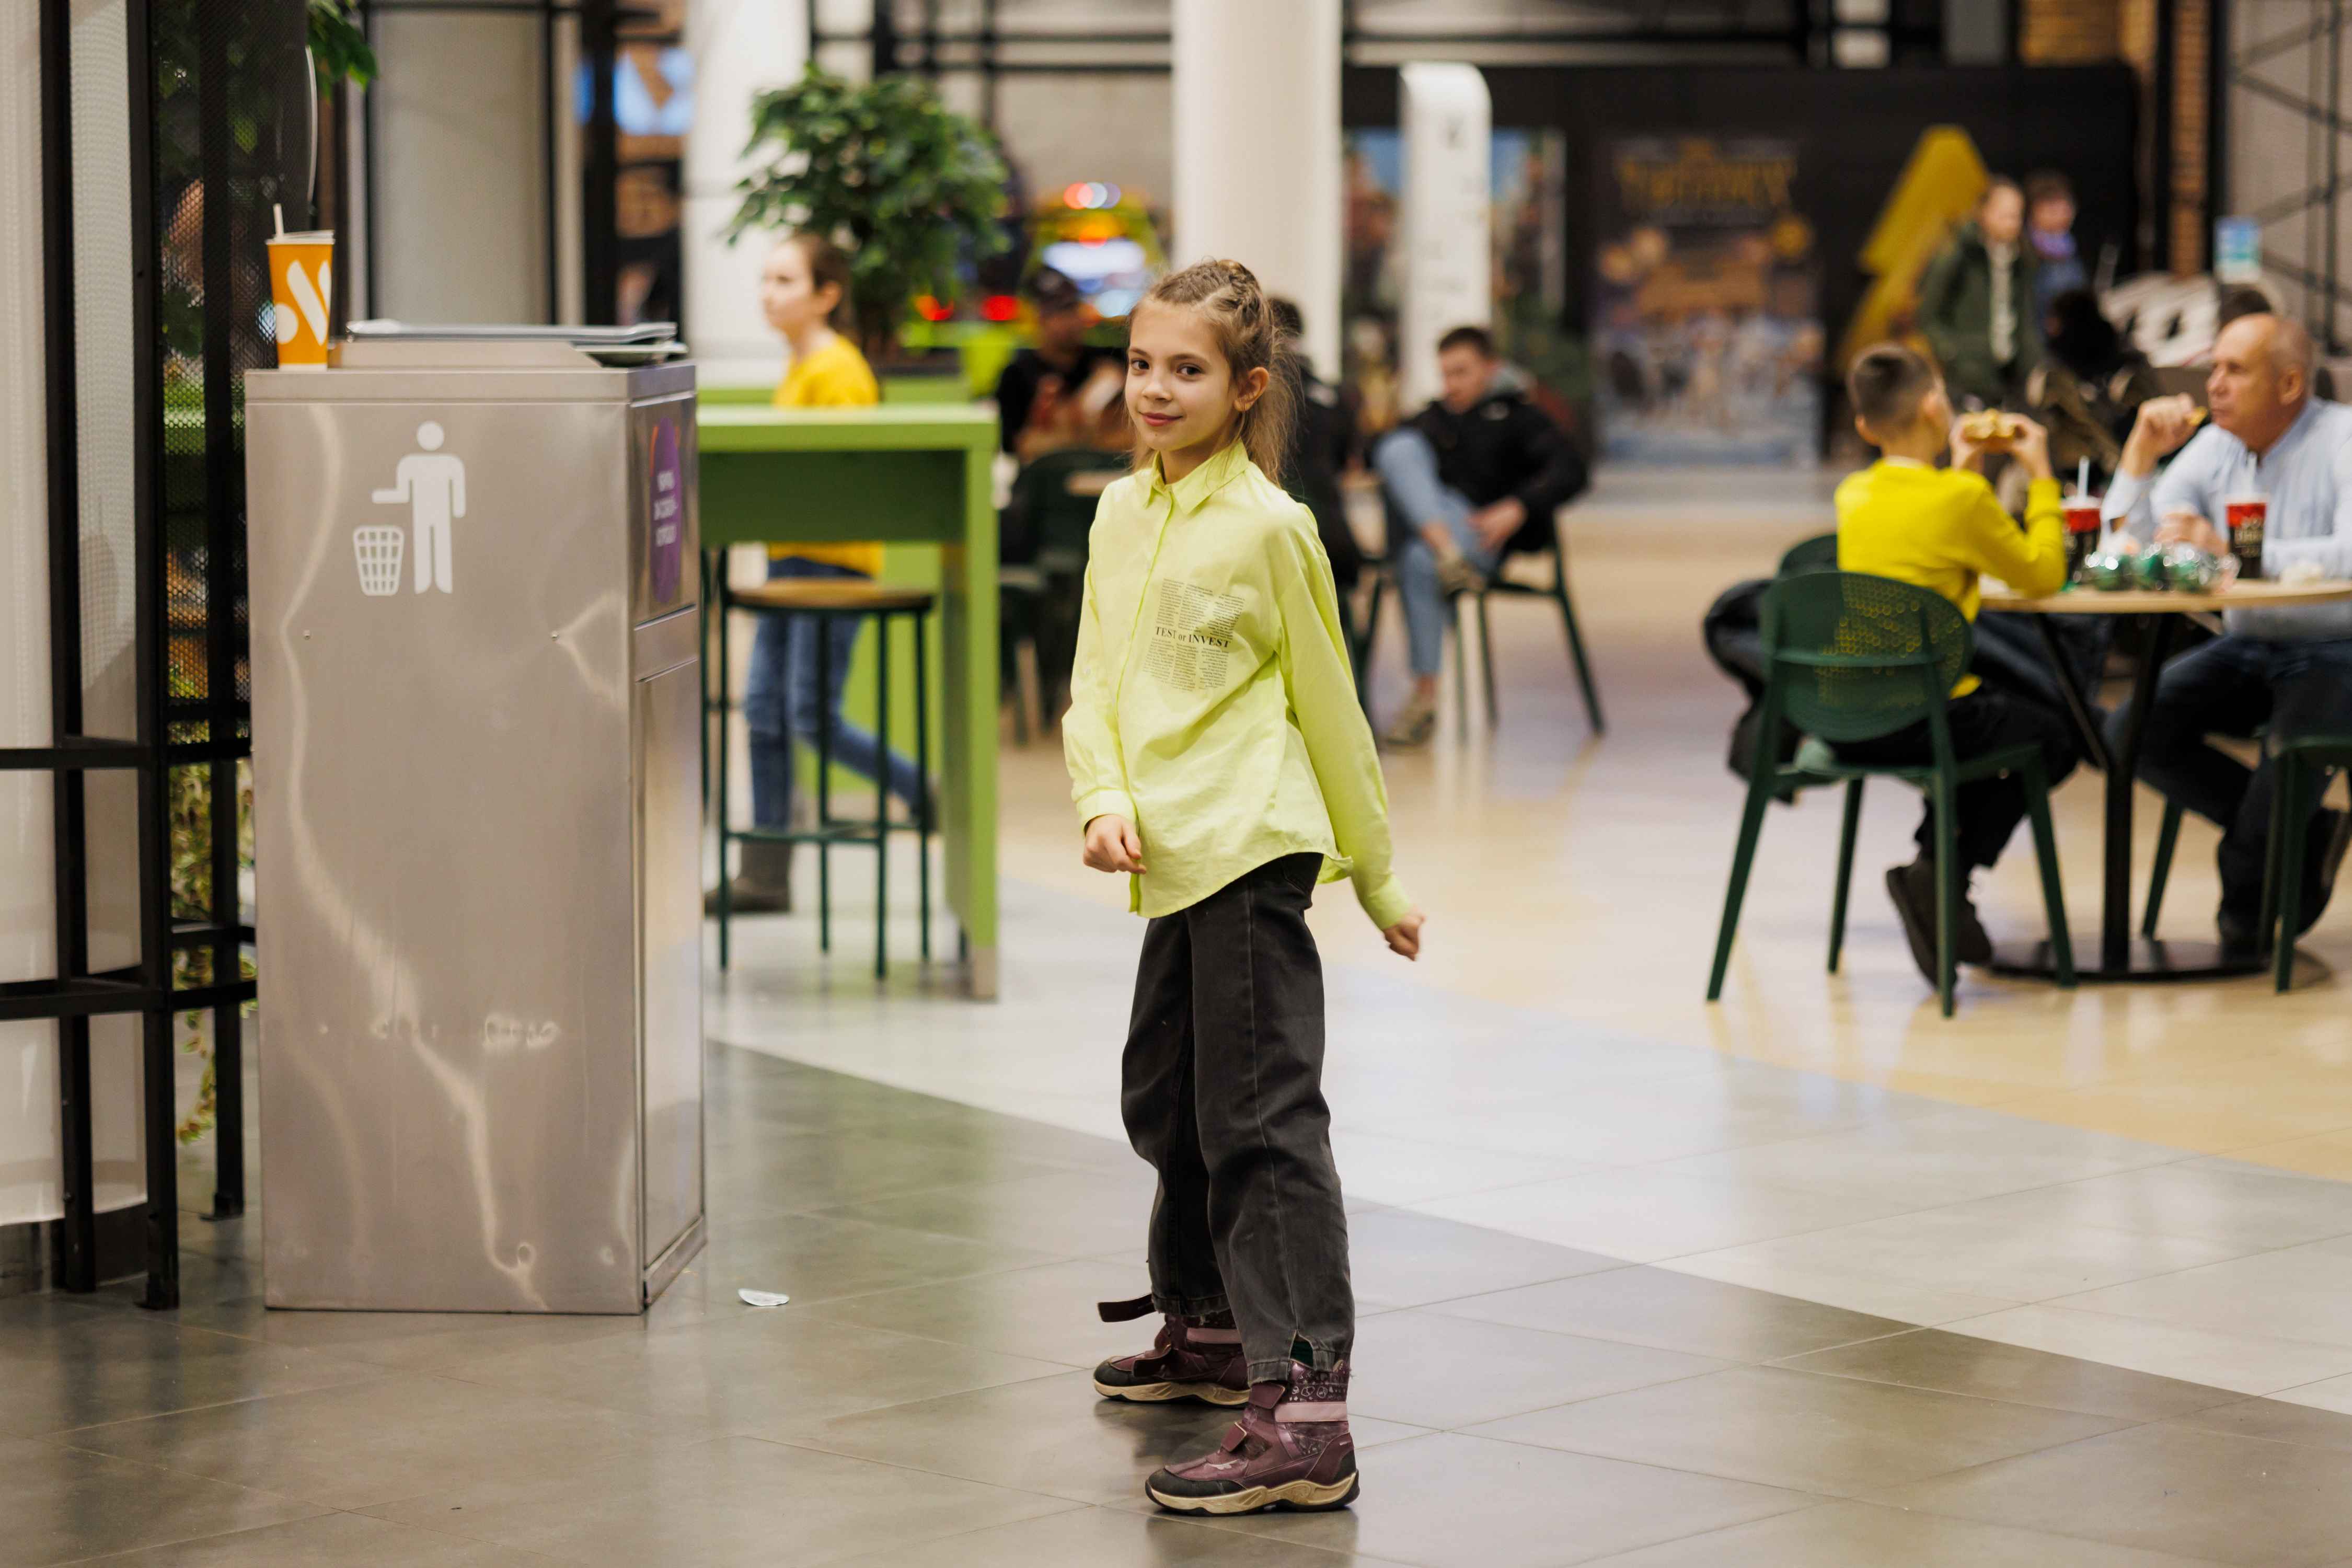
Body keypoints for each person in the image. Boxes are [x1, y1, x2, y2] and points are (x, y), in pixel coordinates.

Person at [1064, 258, 1423, 1518]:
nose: (1154, 388)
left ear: (1247, 387)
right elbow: (1095, 681)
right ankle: (1211, 1327)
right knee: (1164, 1095)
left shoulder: (1272, 527)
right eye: (1140, 363)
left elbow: (1330, 703)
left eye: (1187, 369)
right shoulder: (1120, 512)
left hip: (1252, 843)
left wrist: (1378, 876)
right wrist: (1101, 798)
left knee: (1260, 1123)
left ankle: (1307, 1415)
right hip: (1170, 849)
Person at [2101, 310, 2352, 953]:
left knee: (2283, 779)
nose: (2213, 385)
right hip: (2247, 644)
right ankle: (2301, 837)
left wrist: (2238, 555)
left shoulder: (2343, 438)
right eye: (2213, 367)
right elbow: (2127, 550)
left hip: (2336, 649)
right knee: (2127, 733)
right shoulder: (2216, 445)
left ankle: (2254, 888)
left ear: (2289, 385)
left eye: (2234, 370)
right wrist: (2139, 458)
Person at [1834, 344, 2080, 982]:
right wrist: (2042, 474)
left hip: (1848, 714)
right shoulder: (1960, 501)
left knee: (1991, 724)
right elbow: (2043, 574)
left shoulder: (1852, 494)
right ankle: (1942, 872)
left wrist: (1963, 472)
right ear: (1935, 406)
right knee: (2056, 738)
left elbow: (1931, 530)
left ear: (1865, 427)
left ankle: (1938, 875)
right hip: (1923, 716)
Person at [728, 232, 925, 915]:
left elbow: (844, 472)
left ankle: (922, 791)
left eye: (786, 281)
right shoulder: (802, 365)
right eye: (767, 279)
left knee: (807, 715)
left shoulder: (837, 370)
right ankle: (764, 874)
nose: (769, 293)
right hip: (793, 558)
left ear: (827, 295)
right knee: (766, 713)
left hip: (830, 561)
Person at [1371, 325, 1588, 747]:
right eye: (1445, 374)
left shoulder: (1522, 417)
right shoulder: (1436, 418)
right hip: (1442, 535)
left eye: (1461, 373)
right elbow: (1374, 455)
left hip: (1484, 536)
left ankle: (1424, 697)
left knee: (1418, 558)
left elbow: (1571, 470)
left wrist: (1519, 506)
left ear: (1490, 368)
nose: (1451, 385)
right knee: (1399, 451)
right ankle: (1447, 554)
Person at [1918, 177, 2038, 411]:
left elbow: (2026, 317)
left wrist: (2033, 363)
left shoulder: (2022, 258)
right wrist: (1952, 353)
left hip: (2011, 374)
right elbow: (1928, 313)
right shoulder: (1957, 254)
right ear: (1984, 212)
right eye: (2004, 215)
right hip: (1968, 376)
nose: (2012, 223)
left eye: (2017, 216)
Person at [2023, 287, 2163, 485]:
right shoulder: (2053, 374)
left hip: (2128, 465)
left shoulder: (2129, 368)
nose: (2049, 327)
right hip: (2078, 472)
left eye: (2055, 321)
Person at [1270, 297, 1363, 595]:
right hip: (1334, 540)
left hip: (1278, 538)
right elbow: (1348, 464)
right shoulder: (1334, 397)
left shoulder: (1250, 395)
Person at [993, 267, 1121, 458]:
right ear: (1040, 319)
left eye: (1072, 311)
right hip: (1045, 472)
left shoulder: (1109, 361)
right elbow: (1013, 445)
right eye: (1057, 314)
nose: (1068, 322)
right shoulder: (1016, 374)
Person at [2025, 170, 2088, 318]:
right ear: (2033, 211)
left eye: (2066, 210)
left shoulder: (2070, 246)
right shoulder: (2024, 249)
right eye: (2052, 211)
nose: (2062, 217)